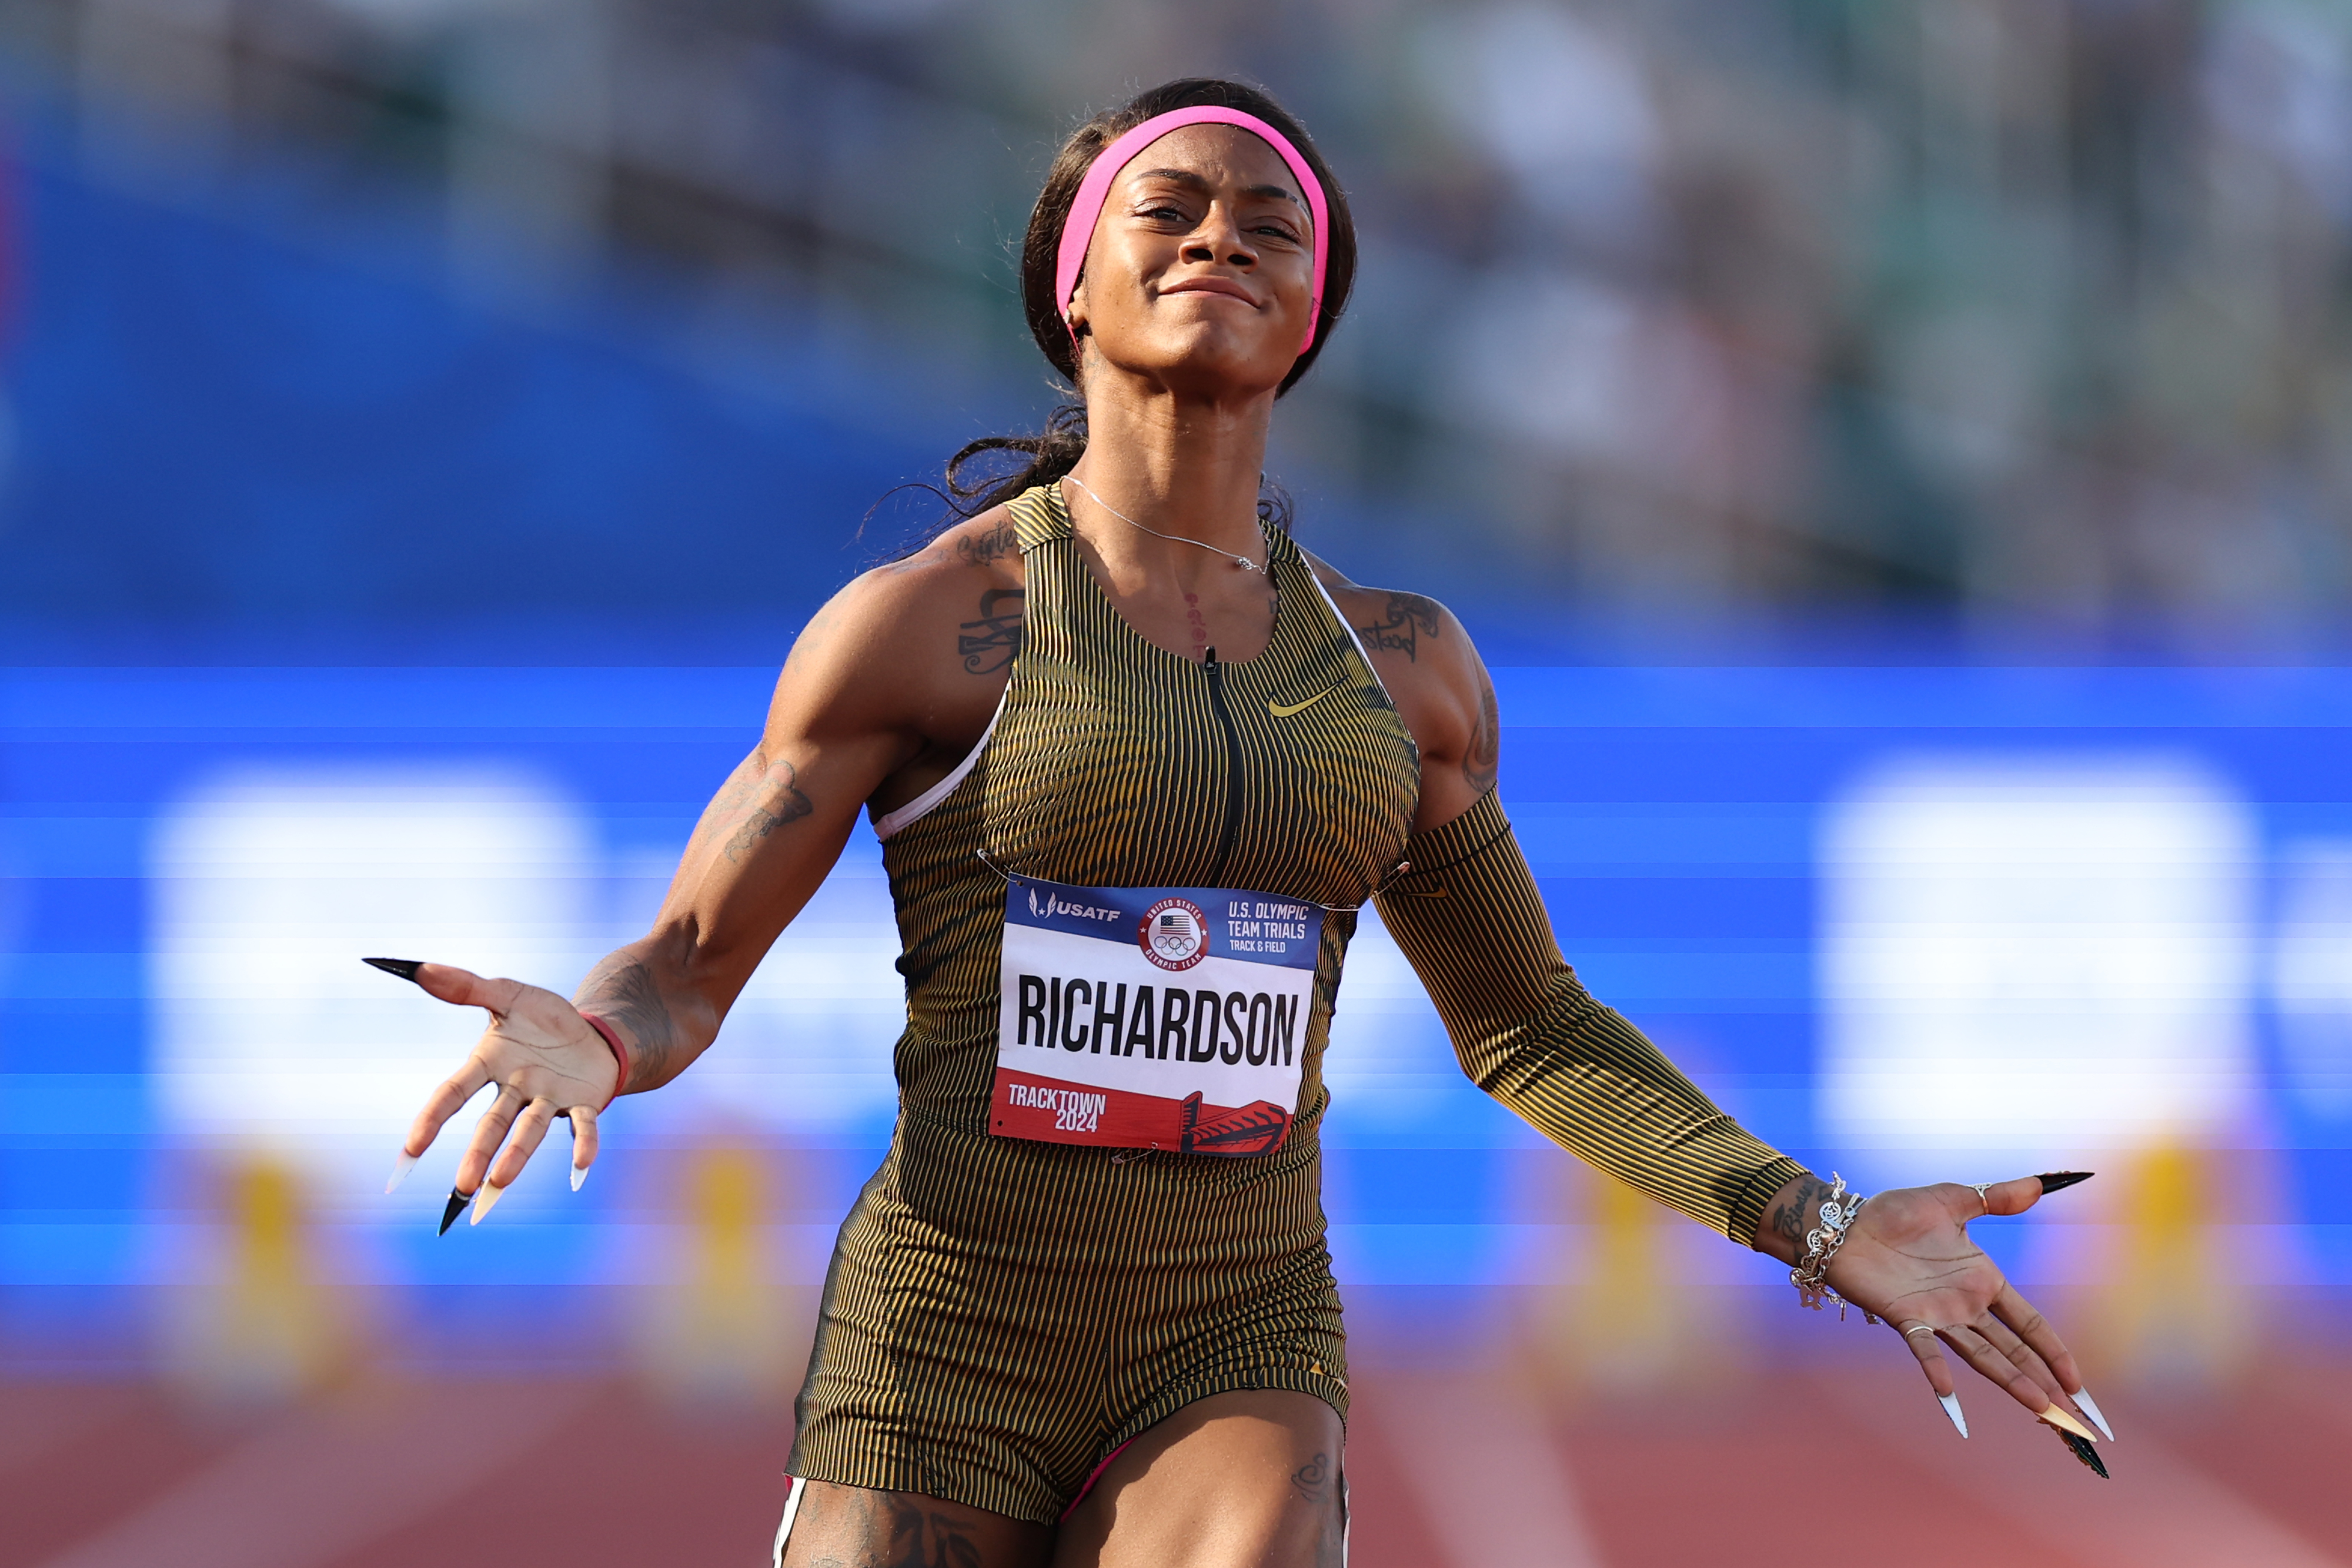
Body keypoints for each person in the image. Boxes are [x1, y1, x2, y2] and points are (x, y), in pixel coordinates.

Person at [383, 78, 2106, 1568]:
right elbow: (690, 959)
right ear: (1077, 287)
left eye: (1270, 228)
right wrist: (602, 1031)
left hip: (1236, 1325)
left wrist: (1815, 1219)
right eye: (1173, 210)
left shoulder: (1406, 672)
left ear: (1311, 320)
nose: (1221, 241)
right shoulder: (923, 624)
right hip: (944, 1330)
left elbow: (1525, 1022)